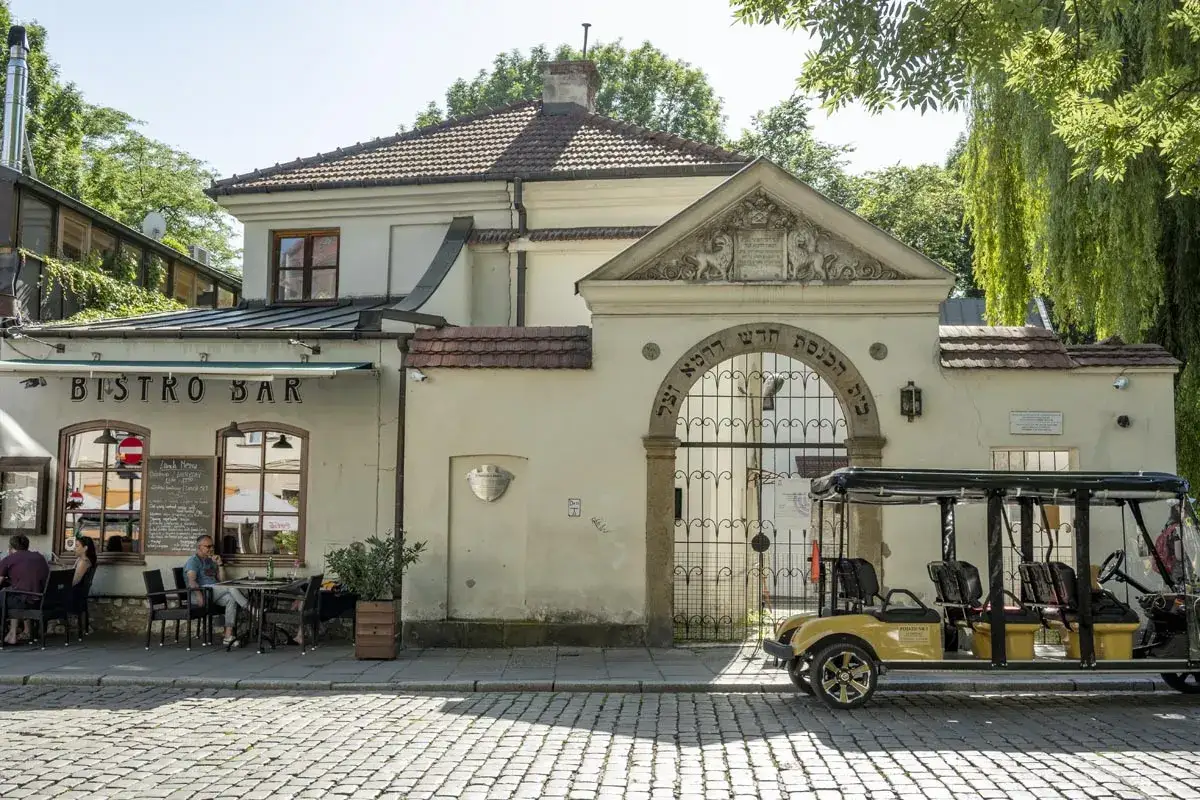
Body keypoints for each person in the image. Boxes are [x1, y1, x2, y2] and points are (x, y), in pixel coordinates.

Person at [183, 535, 249, 646]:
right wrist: (199, 596)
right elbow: (192, 581)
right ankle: (250, 608)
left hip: (213, 593)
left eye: (212, 546)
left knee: (231, 598)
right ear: (199, 547)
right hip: (199, 594)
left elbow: (222, 580)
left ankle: (228, 636)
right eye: (208, 546)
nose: (211, 549)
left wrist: (220, 564)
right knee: (230, 587)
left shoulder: (211, 561)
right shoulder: (193, 561)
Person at [0, 534, 50, 645]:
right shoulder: (39, 557)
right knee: (13, 592)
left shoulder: (9, 559)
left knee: (5, 596)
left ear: (10, 548)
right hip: (41, 601)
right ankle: (13, 633)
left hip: (24, 601)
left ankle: (10, 632)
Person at [1155, 504, 1186, 584]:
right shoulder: (1178, 528)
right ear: (1177, 509)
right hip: (1179, 571)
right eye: (1183, 509)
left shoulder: (1168, 526)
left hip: (1168, 569)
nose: (1186, 513)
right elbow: (1179, 556)